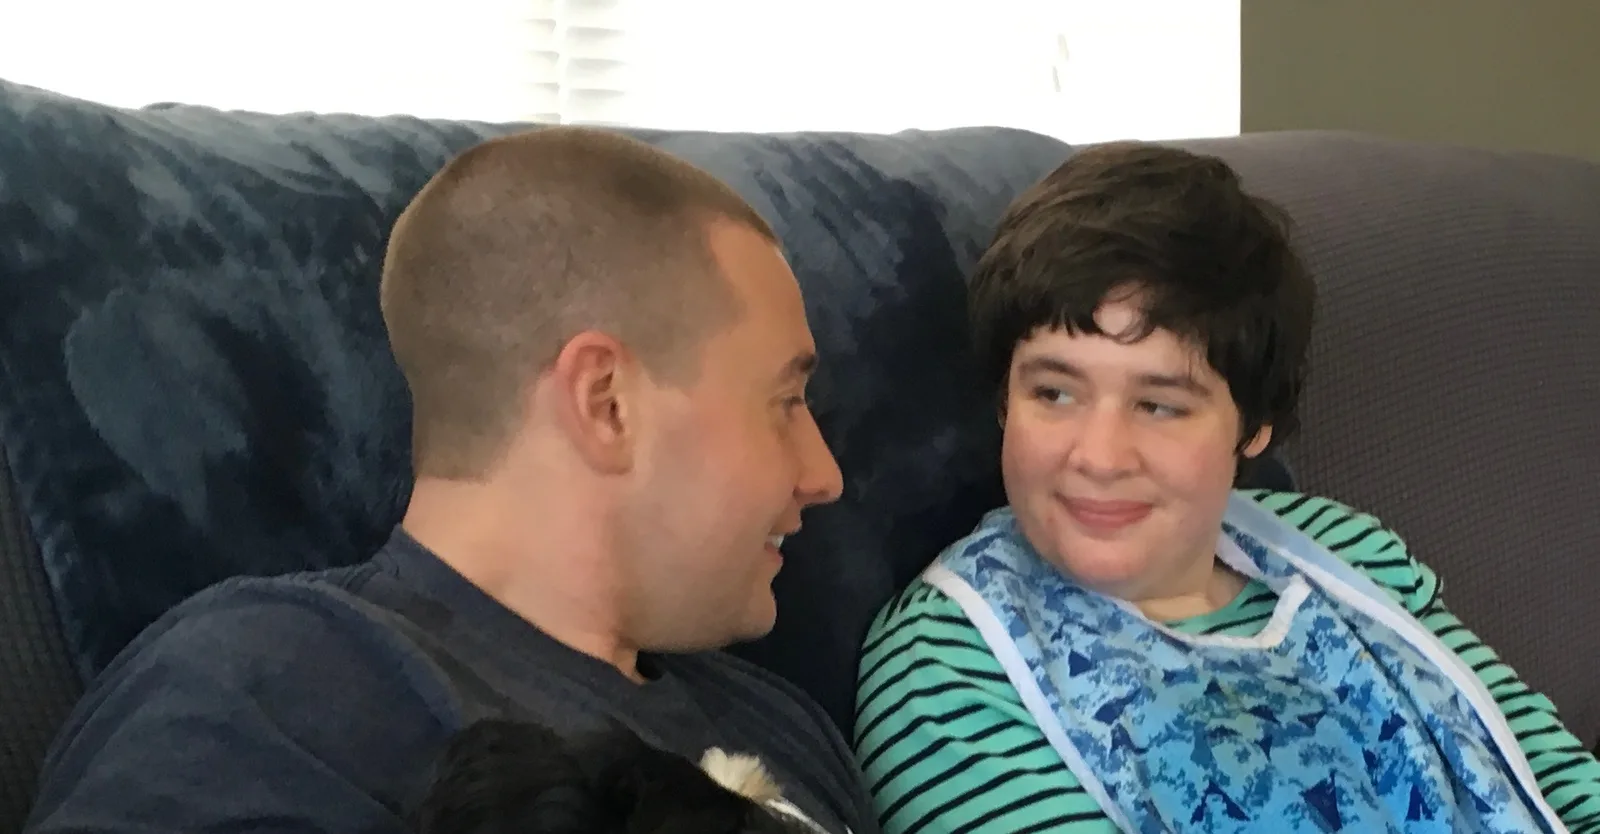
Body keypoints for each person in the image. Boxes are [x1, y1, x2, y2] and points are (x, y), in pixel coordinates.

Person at [25, 126, 873, 834]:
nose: (824, 476)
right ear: (606, 402)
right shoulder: (269, 691)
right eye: (786, 401)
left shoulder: (780, 724)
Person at [853, 142, 1600, 833]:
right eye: (1055, 393)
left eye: (1159, 405)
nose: (1100, 457)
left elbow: (1557, 786)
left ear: (1254, 428)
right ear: (1003, 402)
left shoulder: (1345, 548)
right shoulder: (947, 666)